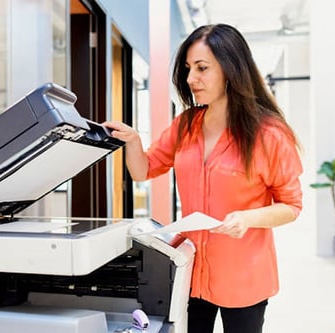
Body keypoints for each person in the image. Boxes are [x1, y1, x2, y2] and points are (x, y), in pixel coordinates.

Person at [103, 23, 303, 333]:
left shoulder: (269, 134)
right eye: (187, 69)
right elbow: (144, 169)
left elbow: (291, 205)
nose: (190, 79)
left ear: (230, 69)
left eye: (202, 68)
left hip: (245, 276)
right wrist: (132, 141)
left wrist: (247, 217)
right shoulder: (185, 124)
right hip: (191, 269)